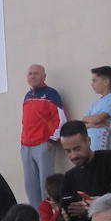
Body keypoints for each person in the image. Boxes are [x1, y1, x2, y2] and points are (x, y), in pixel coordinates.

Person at [47, 121, 111, 221]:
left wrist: (90, 207)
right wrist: (64, 217)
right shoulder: (69, 176)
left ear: (88, 141)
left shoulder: (109, 160)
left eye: (77, 149)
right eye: (68, 151)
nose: (73, 155)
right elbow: (63, 219)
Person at [19, 65, 65, 208]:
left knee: (46, 186)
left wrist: (52, 139)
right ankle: (36, 220)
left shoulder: (51, 94)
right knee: (30, 187)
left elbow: (61, 119)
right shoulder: (27, 96)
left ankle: (49, 219)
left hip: (43, 145)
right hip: (26, 146)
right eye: (30, 74)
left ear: (44, 76)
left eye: (36, 74)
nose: (32, 76)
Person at [82, 66, 111, 151]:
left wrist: (94, 121)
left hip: (102, 142)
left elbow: (99, 118)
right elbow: (83, 121)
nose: (92, 84)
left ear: (106, 82)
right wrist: (92, 124)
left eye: (95, 81)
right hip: (91, 144)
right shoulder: (96, 103)